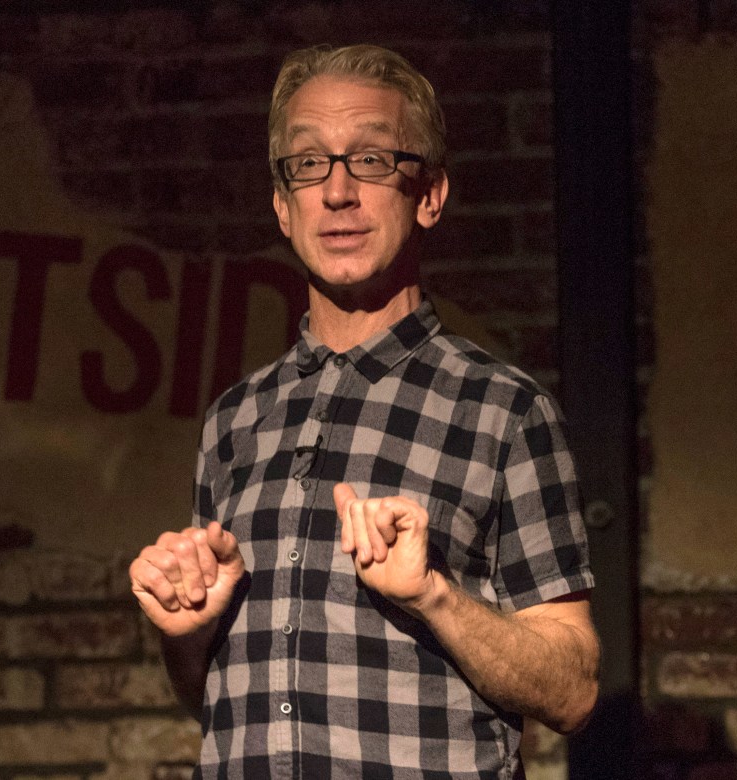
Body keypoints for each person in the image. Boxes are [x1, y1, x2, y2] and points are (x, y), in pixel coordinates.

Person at [129, 44, 599, 779]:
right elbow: (215, 701)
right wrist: (187, 634)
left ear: (429, 194)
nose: (337, 192)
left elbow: (574, 690)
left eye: (372, 160)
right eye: (308, 164)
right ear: (283, 205)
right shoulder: (234, 420)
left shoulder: (503, 411)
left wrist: (435, 596)